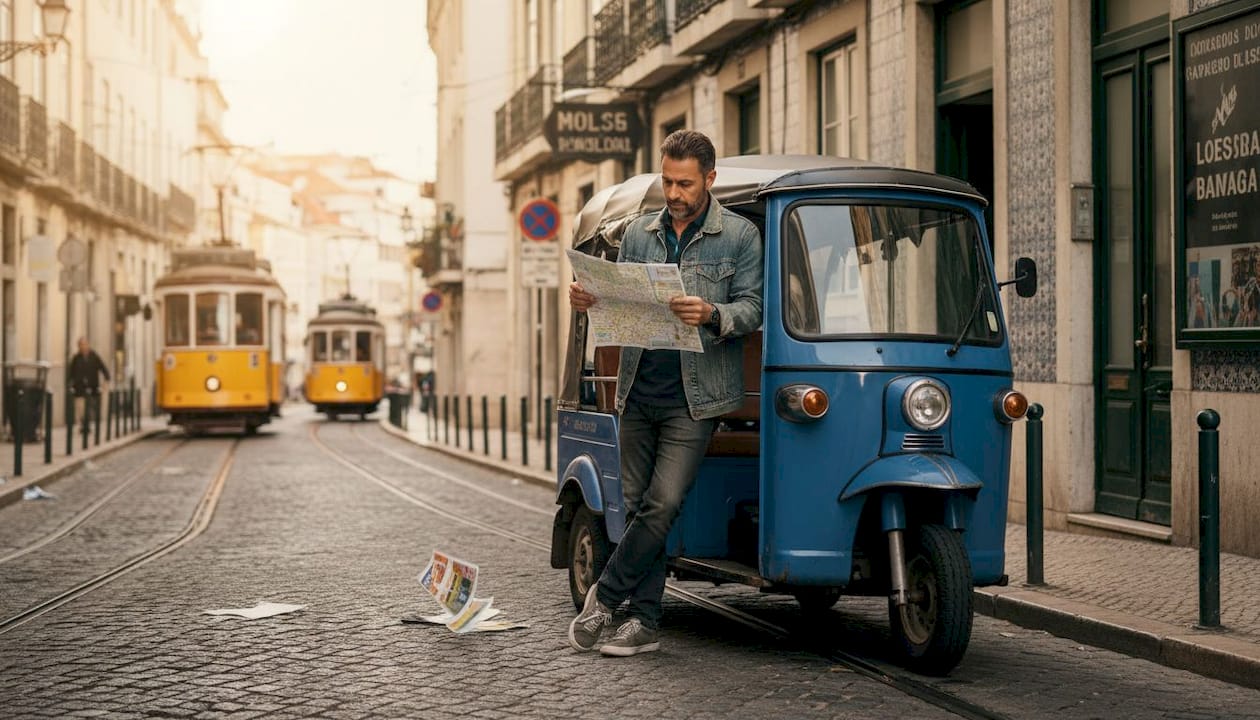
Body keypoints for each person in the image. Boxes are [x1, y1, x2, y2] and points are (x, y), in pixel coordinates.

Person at [566, 130, 763, 657]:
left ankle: (605, 599)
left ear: (709, 180)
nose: (674, 193)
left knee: (663, 502)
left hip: (694, 399)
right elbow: (621, 303)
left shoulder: (740, 236)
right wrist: (591, 298)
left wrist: (714, 313)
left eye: (685, 183)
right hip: (637, 388)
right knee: (634, 508)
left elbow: (754, 309)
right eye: (667, 181)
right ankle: (644, 621)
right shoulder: (638, 234)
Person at [67, 337, 110, 428]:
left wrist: (106, 380)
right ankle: (84, 425)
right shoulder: (76, 358)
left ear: (88, 345)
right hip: (79, 388)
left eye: (84, 344)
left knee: (89, 408)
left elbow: (103, 368)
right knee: (80, 408)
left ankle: (87, 425)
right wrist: (70, 384)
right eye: (81, 345)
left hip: (92, 387)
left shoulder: (94, 356)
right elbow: (71, 373)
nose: (83, 347)